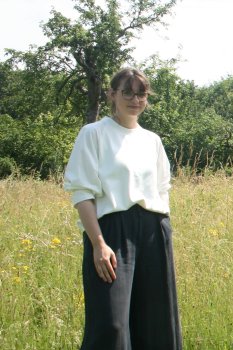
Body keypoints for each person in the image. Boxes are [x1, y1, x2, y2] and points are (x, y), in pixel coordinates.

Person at [63, 68, 182, 349]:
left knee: (156, 323)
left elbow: (162, 189)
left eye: (140, 93)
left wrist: (163, 234)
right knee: (111, 325)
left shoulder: (152, 140)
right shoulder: (94, 133)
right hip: (112, 233)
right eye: (127, 92)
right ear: (112, 95)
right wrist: (98, 243)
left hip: (154, 231)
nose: (134, 99)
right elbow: (82, 193)